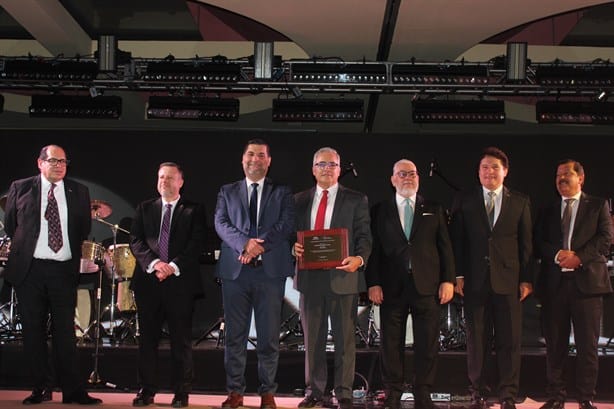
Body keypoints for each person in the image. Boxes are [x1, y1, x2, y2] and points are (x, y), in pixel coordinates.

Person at [2, 144, 102, 405]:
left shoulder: (78, 191)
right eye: (54, 161)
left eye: (64, 161)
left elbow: (82, 228)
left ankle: (73, 391)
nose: (59, 165)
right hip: (30, 270)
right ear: (40, 163)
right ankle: (41, 388)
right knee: (33, 333)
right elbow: (12, 225)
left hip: (62, 270)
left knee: (65, 334)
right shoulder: (21, 188)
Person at [366, 159, 455, 409]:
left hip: (427, 286)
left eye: (412, 174)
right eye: (402, 174)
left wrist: (448, 280)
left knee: (427, 342)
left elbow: (445, 248)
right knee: (390, 343)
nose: (408, 178)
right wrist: (373, 282)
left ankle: (423, 391)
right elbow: (374, 251)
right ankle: (393, 391)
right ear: (392, 179)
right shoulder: (379, 210)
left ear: (419, 178)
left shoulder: (434, 208)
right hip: (390, 286)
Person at [449, 146, 533, 409]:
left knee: (510, 341)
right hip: (474, 281)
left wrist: (526, 279)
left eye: (495, 167)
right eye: (484, 167)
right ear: (478, 172)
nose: (489, 172)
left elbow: (526, 245)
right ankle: (478, 392)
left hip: (508, 281)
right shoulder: (464, 199)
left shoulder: (520, 201)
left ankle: (508, 394)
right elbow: (456, 242)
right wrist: (458, 275)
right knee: (477, 341)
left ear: (505, 171)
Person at [214, 139, 295, 409]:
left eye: (261, 155)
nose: (255, 159)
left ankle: (267, 392)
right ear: (242, 158)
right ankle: (235, 391)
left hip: (270, 274)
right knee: (234, 336)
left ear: (269, 161)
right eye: (250, 154)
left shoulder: (282, 192)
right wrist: (243, 243)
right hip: (235, 274)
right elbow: (220, 223)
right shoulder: (227, 191)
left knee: (269, 337)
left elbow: (286, 224)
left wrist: (258, 246)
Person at [294, 147, 372, 409]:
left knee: (345, 340)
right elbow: (287, 235)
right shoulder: (298, 200)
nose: (327, 169)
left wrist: (359, 260)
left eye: (332, 164)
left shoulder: (356, 199)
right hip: (309, 280)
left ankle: (344, 392)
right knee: (312, 340)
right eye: (321, 164)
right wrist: (292, 247)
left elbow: (364, 237)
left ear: (340, 169)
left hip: (344, 279)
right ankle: (315, 391)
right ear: (313, 168)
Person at [533, 159, 613, 409]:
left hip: (587, 285)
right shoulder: (547, 208)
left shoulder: (598, 205)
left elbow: (605, 237)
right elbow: (537, 240)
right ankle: (556, 396)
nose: (561, 179)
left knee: (586, 345)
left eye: (566, 174)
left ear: (581, 177)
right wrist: (557, 255)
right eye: (557, 175)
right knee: (555, 344)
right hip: (554, 284)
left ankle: (585, 397)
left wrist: (578, 257)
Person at [129, 162, 206, 408]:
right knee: (147, 341)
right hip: (149, 283)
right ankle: (146, 390)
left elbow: (196, 243)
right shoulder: (144, 208)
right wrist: (154, 264)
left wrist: (172, 266)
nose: (164, 181)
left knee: (180, 341)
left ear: (181, 182)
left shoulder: (194, 210)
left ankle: (181, 392)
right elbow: (136, 241)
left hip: (180, 284)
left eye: (170, 178)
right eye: (161, 177)